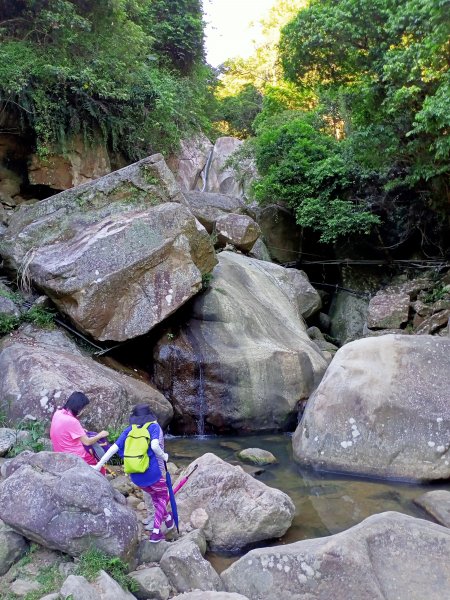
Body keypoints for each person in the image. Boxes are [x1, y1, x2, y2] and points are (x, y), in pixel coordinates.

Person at [93, 403, 174, 543]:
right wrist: (164, 456)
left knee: (155, 498)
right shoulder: (153, 427)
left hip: (135, 476)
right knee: (162, 497)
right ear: (149, 416)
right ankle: (156, 533)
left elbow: (113, 448)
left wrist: (98, 465)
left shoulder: (130, 429)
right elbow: (155, 446)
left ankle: (167, 519)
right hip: (152, 473)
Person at [50, 391, 109, 469]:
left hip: (59, 452)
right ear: (79, 407)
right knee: (100, 450)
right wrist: (100, 435)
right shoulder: (72, 421)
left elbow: (66, 430)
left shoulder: (58, 413)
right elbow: (87, 442)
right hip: (74, 456)